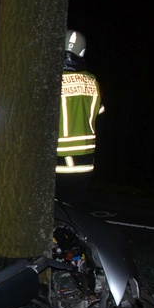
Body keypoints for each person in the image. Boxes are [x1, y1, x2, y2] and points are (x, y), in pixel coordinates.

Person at [56, 29, 105, 207]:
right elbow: (99, 112)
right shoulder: (92, 81)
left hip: (57, 159)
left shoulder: (51, 80)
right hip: (86, 160)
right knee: (78, 214)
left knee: (55, 215)